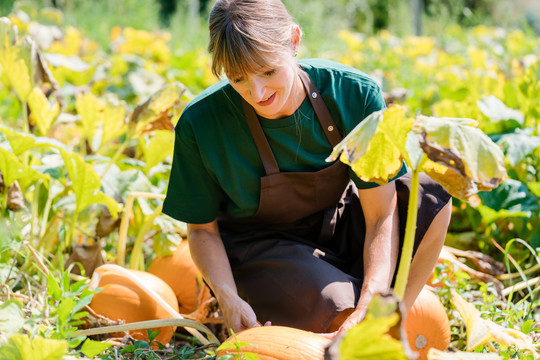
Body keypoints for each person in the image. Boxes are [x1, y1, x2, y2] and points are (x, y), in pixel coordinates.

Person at [163, 0, 452, 338]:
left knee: (429, 197)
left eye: (269, 71)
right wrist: (227, 297)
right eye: (238, 78)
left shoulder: (353, 94)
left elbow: (380, 214)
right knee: (337, 311)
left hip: (336, 223)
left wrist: (373, 298)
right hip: (262, 248)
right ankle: (349, 322)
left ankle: (387, 323)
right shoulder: (200, 124)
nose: (257, 93)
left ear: (295, 41)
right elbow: (202, 231)